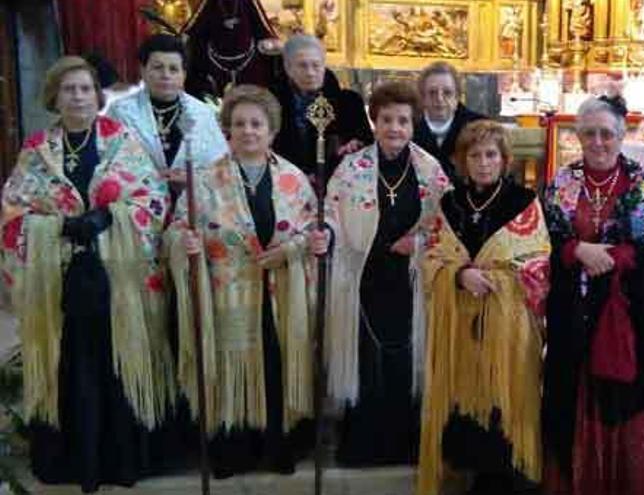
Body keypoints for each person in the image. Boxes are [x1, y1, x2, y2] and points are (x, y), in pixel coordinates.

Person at [1, 56, 173, 492]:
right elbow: (13, 211)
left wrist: (107, 219)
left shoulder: (122, 141)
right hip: (58, 279)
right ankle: (74, 462)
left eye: (84, 89)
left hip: (117, 278)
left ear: (98, 96)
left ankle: (121, 461)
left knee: (119, 361)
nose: (78, 97)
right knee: (69, 363)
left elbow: (151, 200)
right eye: (68, 90)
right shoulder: (36, 149)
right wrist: (54, 227)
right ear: (53, 98)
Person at [165, 85, 320, 478]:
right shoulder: (204, 180)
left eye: (257, 123)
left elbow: (312, 231)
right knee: (233, 366)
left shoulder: (294, 179)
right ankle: (233, 449)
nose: (248, 131)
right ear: (227, 130)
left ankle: (280, 445)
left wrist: (291, 250)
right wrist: (185, 242)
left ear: (272, 130)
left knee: (277, 363)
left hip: (282, 291)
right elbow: (177, 229)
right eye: (239, 124)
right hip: (227, 292)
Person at [541, 96, 644, 495]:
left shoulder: (642, 183)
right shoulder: (562, 182)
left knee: (621, 402)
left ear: (622, 135)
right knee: (567, 400)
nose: (598, 142)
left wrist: (614, 256)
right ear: (578, 136)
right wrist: (575, 250)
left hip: (622, 316)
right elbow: (539, 240)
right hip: (571, 313)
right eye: (589, 134)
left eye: (607, 134)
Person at [318, 80, 451, 466]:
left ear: (414, 124)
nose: (395, 128)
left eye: (404, 121)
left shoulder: (430, 169)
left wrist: (420, 243)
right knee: (366, 361)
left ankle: (407, 443)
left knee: (406, 361)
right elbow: (331, 213)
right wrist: (328, 234)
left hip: (410, 280)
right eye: (387, 119)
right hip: (363, 277)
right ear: (374, 121)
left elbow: (447, 223)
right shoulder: (351, 167)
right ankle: (363, 445)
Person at [418, 120, 550, 495]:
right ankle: (472, 470)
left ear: (505, 159)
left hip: (508, 326)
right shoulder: (450, 203)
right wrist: (460, 276)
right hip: (460, 322)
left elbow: (538, 263)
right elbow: (432, 259)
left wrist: (495, 280)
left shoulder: (523, 203)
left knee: (502, 401)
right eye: (474, 155)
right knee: (465, 401)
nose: (483, 162)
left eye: (491, 154)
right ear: (462, 160)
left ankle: (506, 474)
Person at [108, 34, 228, 198]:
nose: (166, 75)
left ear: (184, 74)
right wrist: (151, 177)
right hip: (137, 204)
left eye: (173, 69)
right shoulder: (121, 112)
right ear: (143, 70)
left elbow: (221, 166)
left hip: (194, 203)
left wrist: (192, 180)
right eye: (158, 67)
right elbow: (108, 164)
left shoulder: (203, 114)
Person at [271, 34, 373, 180]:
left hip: (336, 183)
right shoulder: (270, 104)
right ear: (288, 68)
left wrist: (354, 145)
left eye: (316, 65)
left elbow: (366, 144)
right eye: (302, 65)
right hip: (285, 183)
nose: (310, 73)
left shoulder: (349, 102)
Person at [412, 61, 486, 182]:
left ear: (457, 97)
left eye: (447, 93)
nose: (439, 99)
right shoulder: (407, 125)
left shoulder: (478, 125)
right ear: (422, 97)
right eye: (432, 93)